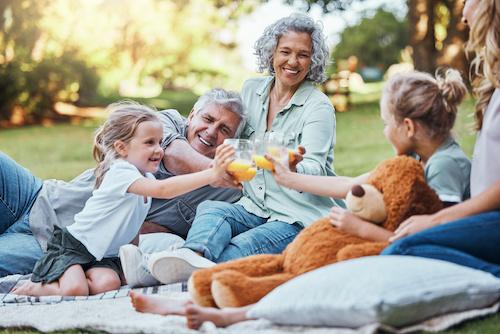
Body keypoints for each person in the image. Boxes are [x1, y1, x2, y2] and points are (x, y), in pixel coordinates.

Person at [124, 13, 342, 287]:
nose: (292, 61)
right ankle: (189, 257)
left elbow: (316, 170)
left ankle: (160, 275)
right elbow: (230, 133)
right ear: (272, 53)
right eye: (285, 51)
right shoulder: (252, 90)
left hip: (294, 215)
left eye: (303, 54)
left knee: (240, 247)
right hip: (252, 205)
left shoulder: (317, 108)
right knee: (211, 209)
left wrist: (292, 165)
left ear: (313, 60)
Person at [0, 88, 244, 278]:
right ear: (192, 115)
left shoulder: (225, 192)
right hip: (38, 195)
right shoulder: (161, 125)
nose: (211, 131)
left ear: (232, 141)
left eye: (224, 129)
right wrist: (218, 171)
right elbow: (174, 156)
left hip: (55, 241)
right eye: (208, 119)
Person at [382, 0, 500, 277]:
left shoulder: (444, 163)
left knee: (399, 251)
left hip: (492, 220)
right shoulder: (494, 83)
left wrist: (438, 220)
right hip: (485, 219)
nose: (463, 14)